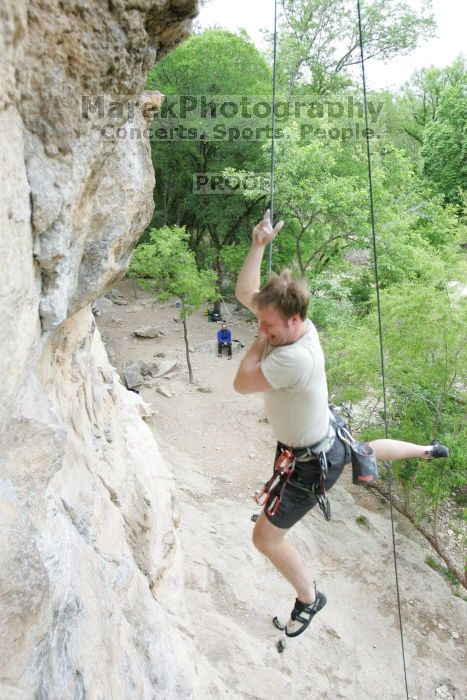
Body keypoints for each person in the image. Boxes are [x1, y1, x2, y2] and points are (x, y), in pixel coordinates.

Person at [233, 209, 449, 639]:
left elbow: (241, 383)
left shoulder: (297, 356)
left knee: (265, 539)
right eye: (262, 323)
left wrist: (258, 340)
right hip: (323, 438)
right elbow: (247, 292)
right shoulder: (295, 325)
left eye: (269, 326)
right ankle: (427, 450)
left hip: (309, 464)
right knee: (361, 450)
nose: (262, 329)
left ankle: (310, 600)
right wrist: (258, 245)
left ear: (292, 321)